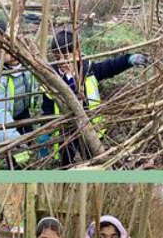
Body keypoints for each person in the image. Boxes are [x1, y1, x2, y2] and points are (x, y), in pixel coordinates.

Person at [42, 30, 149, 166]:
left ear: (77, 53)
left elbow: (110, 66)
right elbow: (47, 108)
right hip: (65, 131)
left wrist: (128, 60)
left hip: (89, 126)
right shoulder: (51, 78)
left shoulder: (89, 70)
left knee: (92, 158)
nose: (62, 62)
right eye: (57, 58)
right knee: (65, 161)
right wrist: (46, 130)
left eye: (65, 56)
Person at [0, 12, 39, 169]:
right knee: (15, 153)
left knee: (29, 140)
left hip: (23, 110)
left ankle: (29, 161)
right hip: (7, 118)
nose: (12, 54)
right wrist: (14, 141)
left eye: (12, 46)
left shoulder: (26, 59)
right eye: (4, 51)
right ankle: (16, 167)